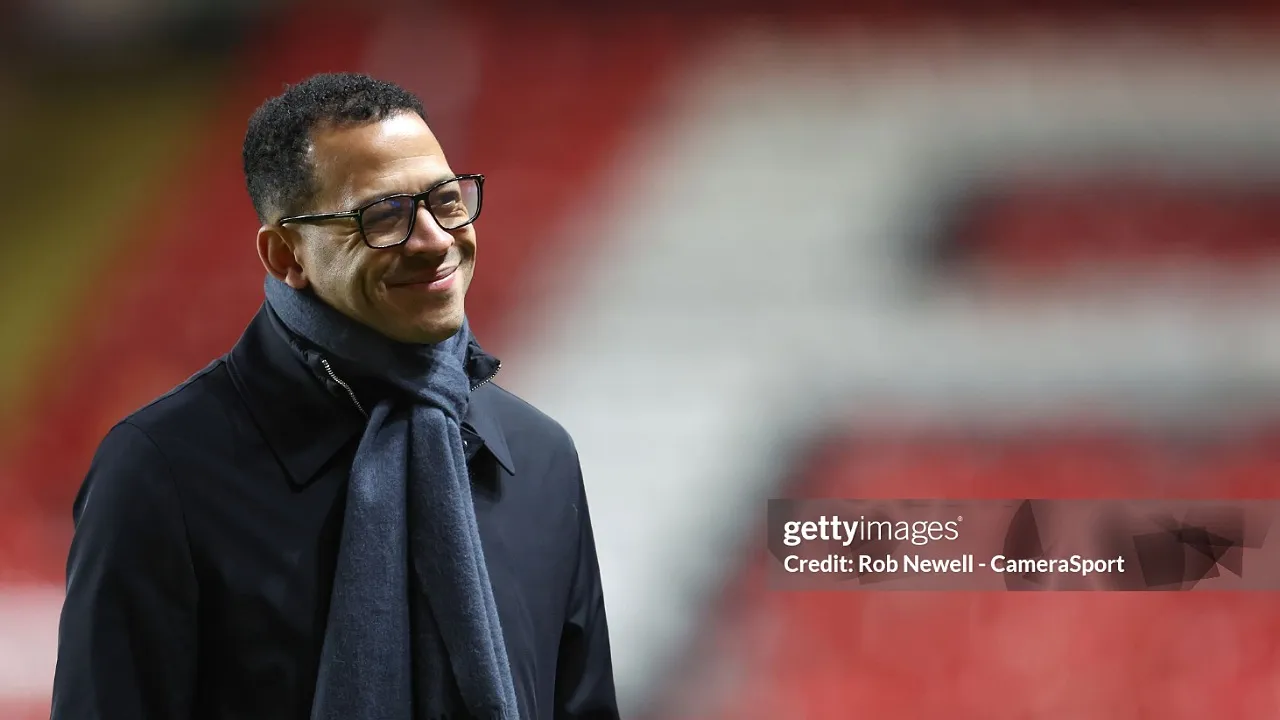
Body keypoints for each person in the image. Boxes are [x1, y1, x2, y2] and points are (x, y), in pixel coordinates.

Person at [50, 72, 619, 720]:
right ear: (286, 253)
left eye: (447, 201)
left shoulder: (539, 458)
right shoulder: (161, 471)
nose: (434, 239)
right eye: (383, 216)